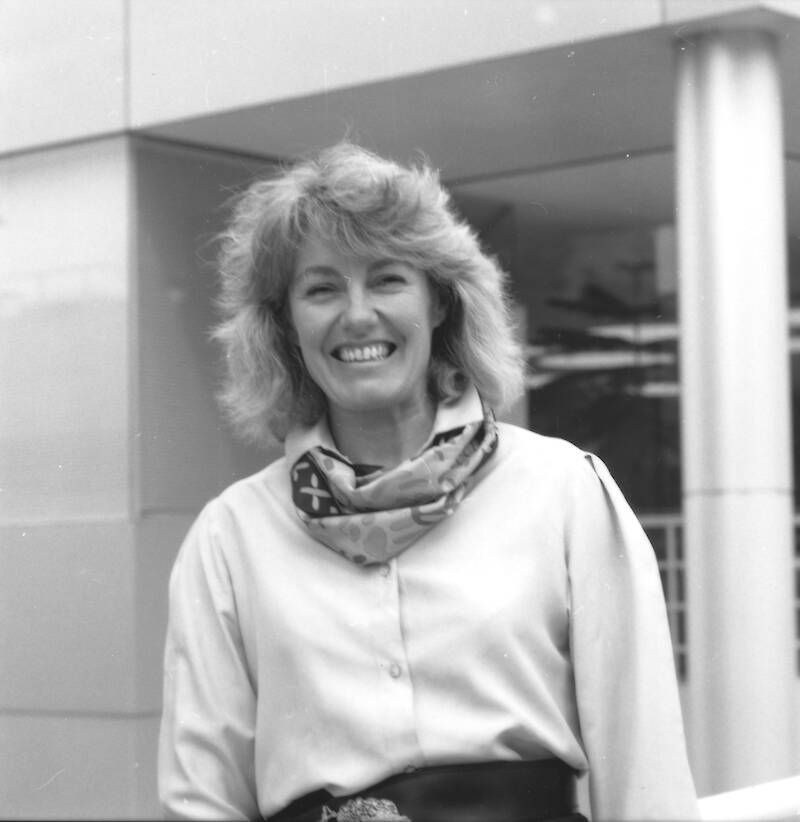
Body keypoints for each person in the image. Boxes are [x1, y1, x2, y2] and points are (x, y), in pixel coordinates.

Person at [157, 143, 699, 822]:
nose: (357, 315)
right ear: (287, 327)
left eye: (387, 279)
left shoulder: (564, 492)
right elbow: (202, 803)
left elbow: (643, 769)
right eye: (322, 288)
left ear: (439, 302)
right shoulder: (230, 539)